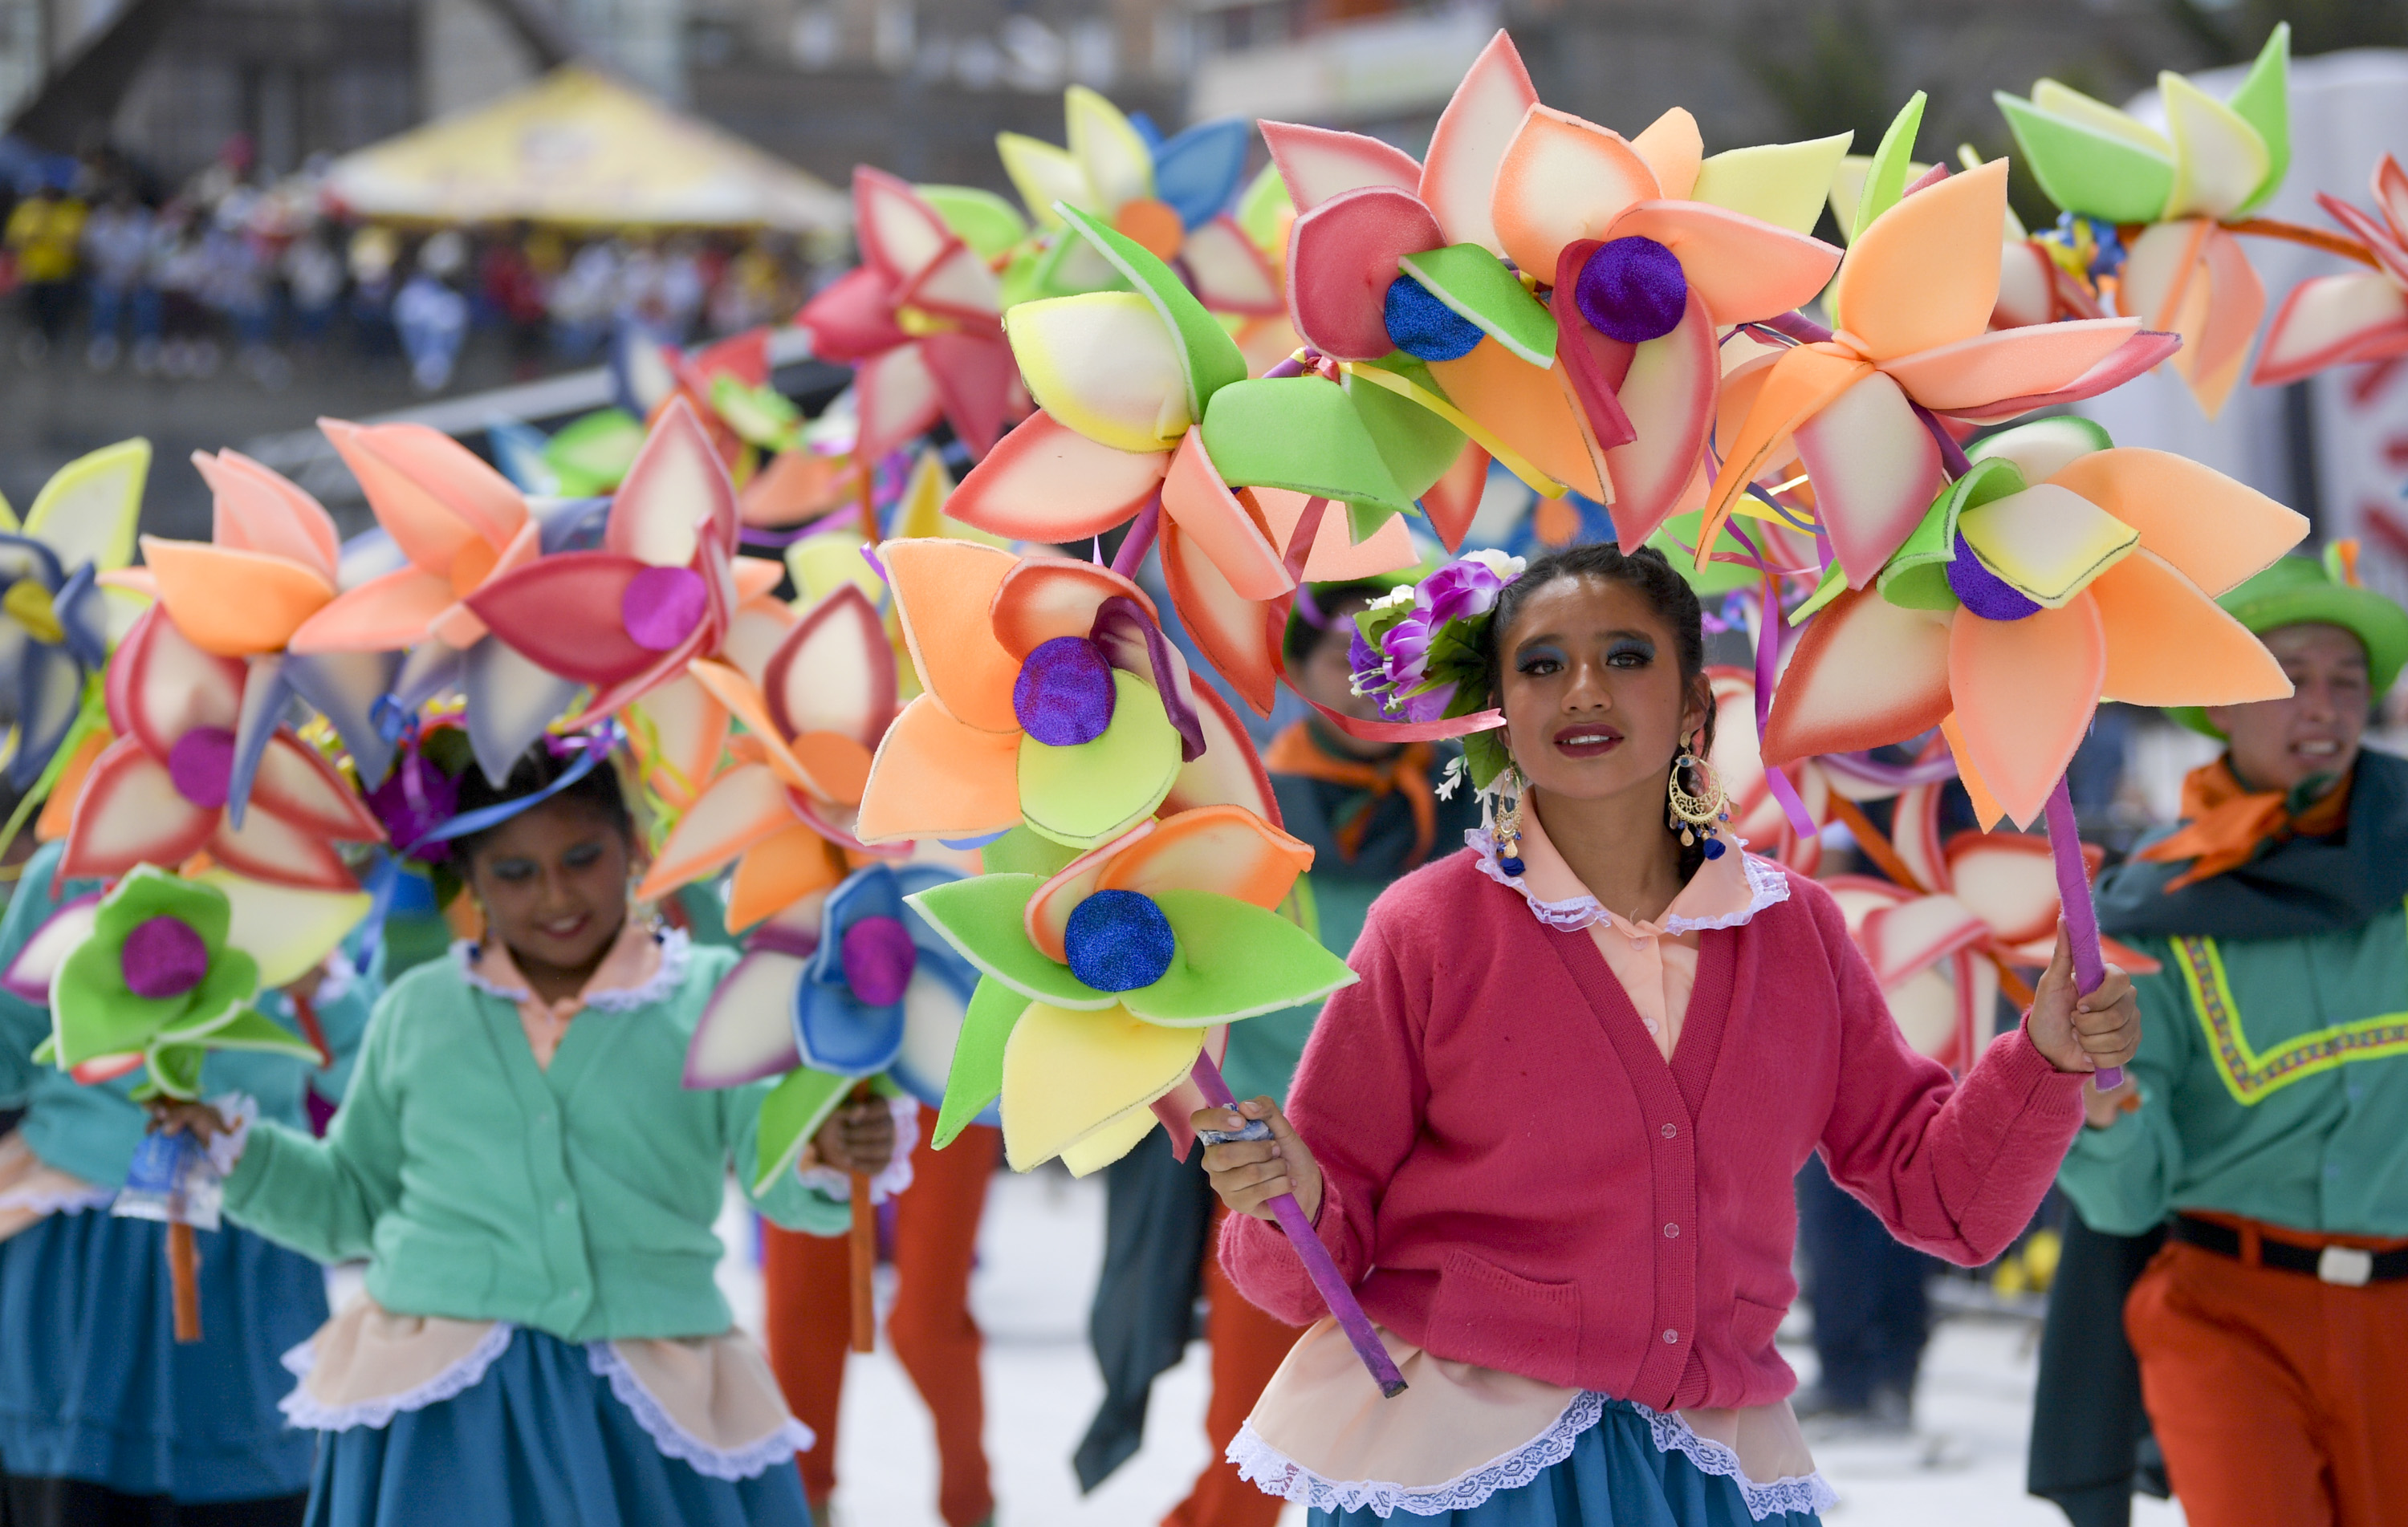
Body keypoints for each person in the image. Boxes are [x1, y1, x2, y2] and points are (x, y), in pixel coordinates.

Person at [1197, 542, 2140, 1525]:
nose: (1584, 689)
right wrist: (1289, 1194)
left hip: (1712, 1470)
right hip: (1464, 1475)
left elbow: (1946, 1200)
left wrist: (2047, 1063)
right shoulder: (1426, 928)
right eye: (1542, 665)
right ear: (1502, 718)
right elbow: (1309, 1264)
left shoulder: (1795, 933)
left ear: (1697, 707)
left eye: (1627, 656)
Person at [152, 740, 898, 1525]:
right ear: (470, 879)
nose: (555, 894)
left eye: (583, 857)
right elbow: (351, 1202)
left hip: (650, 1411)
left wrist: (827, 1152)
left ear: (635, 843)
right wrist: (230, 1153)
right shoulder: (418, 1010)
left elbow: (772, 1167)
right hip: (440, 1419)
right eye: (515, 872)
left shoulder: (714, 998)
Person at [1079, 579, 1485, 1527]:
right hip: (1278, 1167)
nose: (1366, 673)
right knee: (1260, 1432)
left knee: (1428, 1446)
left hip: (1434, 1164)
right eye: (1341, 650)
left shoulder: (1476, 794)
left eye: (1390, 655)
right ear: (1294, 669)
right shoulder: (1240, 805)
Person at [2052, 548, 2408, 1527]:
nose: (2327, 705)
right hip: (2226, 1316)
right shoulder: (2147, 908)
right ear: (2225, 700)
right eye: (2291, 676)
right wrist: (2107, 1107)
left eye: (2349, 681)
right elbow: (2126, 1201)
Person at [0, 839, 375, 1526]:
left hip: (248, 1248)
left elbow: (366, 1079)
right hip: (82, 1259)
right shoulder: (72, 868)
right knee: (67, 1499)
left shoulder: (294, 873)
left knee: (254, 1495)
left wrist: (322, 987)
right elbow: (9, 1041)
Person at [4, 179, 85, 363]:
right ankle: (36, 334)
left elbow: (72, 243)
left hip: (60, 271)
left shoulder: (72, 210)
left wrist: (48, 235)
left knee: (57, 304)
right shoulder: (27, 210)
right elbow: (15, 239)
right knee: (32, 305)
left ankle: (53, 336)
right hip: (32, 271)